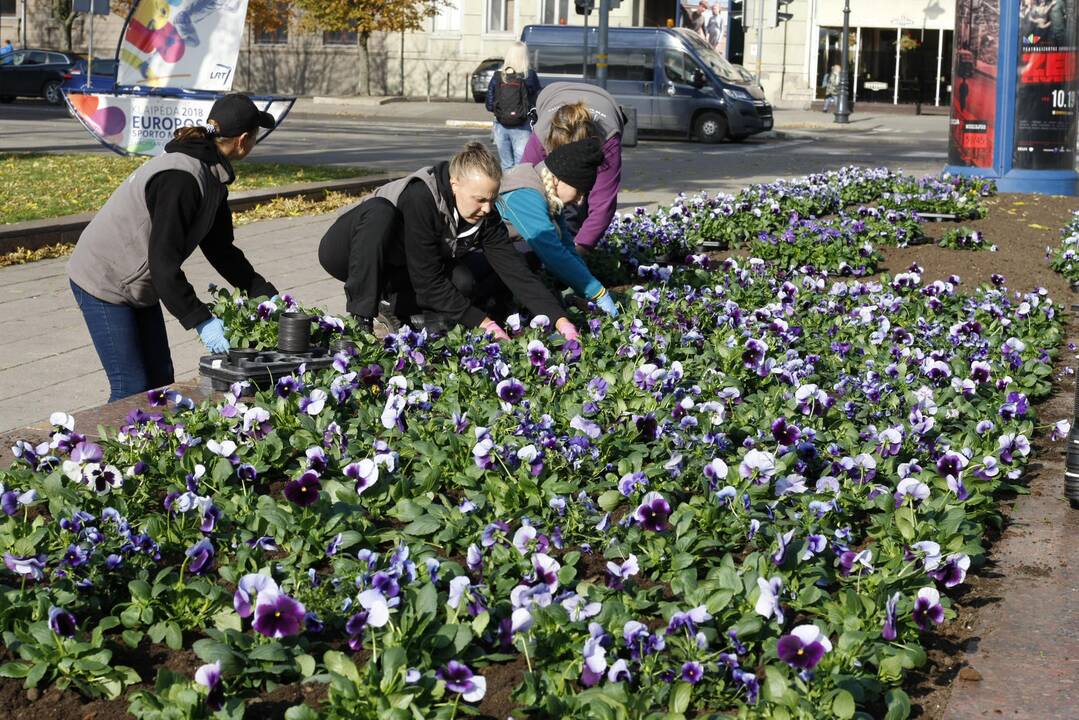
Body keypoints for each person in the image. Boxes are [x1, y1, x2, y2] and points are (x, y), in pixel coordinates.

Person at [68, 93, 279, 402]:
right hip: (103, 279)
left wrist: (267, 295)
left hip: (140, 281)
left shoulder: (212, 176)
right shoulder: (181, 178)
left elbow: (222, 250)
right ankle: (109, 448)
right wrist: (201, 320)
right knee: (131, 388)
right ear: (243, 140)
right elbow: (163, 262)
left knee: (160, 384)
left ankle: (149, 447)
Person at [317, 142, 579, 343]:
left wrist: (561, 321)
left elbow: (515, 272)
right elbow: (427, 281)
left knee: (463, 282)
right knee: (380, 211)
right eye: (479, 199)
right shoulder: (420, 197)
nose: (487, 209)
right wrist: (485, 324)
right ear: (455, 183)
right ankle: (363, 318)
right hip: (349, 253)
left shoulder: (486, 214)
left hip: (398, 266)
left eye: (492, 199)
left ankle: (396, 311)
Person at [498, 137, 619, 317]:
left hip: (501, 258)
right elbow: (552, 252)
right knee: (530, 252)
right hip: (477, 261)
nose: (580, 200)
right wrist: (598, 293)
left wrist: (591, 289)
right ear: (558, 179)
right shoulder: (525, 193)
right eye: (579, 191)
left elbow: (567, 248)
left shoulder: (550, 194)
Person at [521, 82, 625, 256]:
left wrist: (578, 251)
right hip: (552, 95)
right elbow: (523, 190)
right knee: (553, 199)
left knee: (578, 210)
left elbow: (603, 205)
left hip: (604, 103)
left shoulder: (607, 142)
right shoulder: (541, 137)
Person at [486, 41, 541, 170]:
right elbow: (537, 100)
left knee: (506, 165)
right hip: (523, 125)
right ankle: (519, 189)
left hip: (500, 124)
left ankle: (507, 190)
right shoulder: (529, 76)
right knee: (521, 165)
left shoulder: (498, 77)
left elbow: (489, 104)